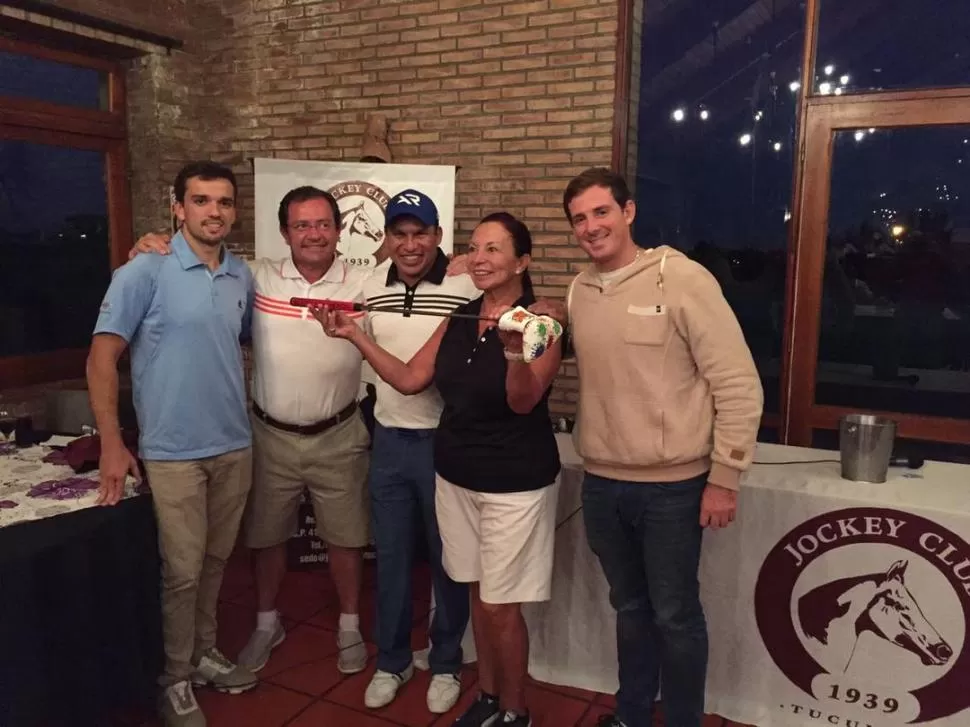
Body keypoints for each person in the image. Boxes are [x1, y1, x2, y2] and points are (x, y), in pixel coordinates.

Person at [536, 167, 763, 727]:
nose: (591, 227)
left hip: (673, 490)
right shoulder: (579, 289)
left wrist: (725, 477)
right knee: (629, 608)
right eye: (579, 219)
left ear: (628, 211)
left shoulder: (680, 278)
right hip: (603, 484)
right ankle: (632, 713)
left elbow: (737, 381)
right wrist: (535, 316)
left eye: (601, 212)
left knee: (675, 615)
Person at [315, 211, 562, 727]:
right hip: (454, 475)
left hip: (512, 482)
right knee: (475, 591)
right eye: (476, 247)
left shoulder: (541, 321)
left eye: (495, 248)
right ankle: (490, 698)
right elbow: (408, 379)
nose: (481, 257)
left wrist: (515, 355)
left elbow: (524, 401)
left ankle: (517, 712)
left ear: (523, 260)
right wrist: (353, 336)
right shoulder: (461, 315)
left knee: (499, 605)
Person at [128, 186, 373, 677]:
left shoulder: (365, 282)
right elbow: (199, 262)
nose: (313, 234)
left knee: (346, 538)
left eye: (323, 223)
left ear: (339, 230)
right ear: (284, 233)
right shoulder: (255, 277)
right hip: (268, 434)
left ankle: (349, 625)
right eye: (301, 225)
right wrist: (148, 242)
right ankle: (266, 623)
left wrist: (454, 265)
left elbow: (416, 266)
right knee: (266, 537)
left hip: (341, 433)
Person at [87, 161, 258, 727]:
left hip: (234, 443)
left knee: (214, 562)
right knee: (181, 570)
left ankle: (204, 653)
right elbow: (101, 359)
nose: (215, 212)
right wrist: (113, 442)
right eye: (202, 200)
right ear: (177, 207)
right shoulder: (144, 270)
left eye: (224, 202)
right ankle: (174, 679)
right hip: (172, 451)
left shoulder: (240, 275)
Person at [357, 190, 477, 714]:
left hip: (442, 443)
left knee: (449, 560)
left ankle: (445, 659)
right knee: (392, 558)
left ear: (438, 237)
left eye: (420, 233)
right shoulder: (368, 288)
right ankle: (393, 660)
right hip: (387, 441)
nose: (410, 245)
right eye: (399, 234)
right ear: (386, 239)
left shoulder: (466, 286)